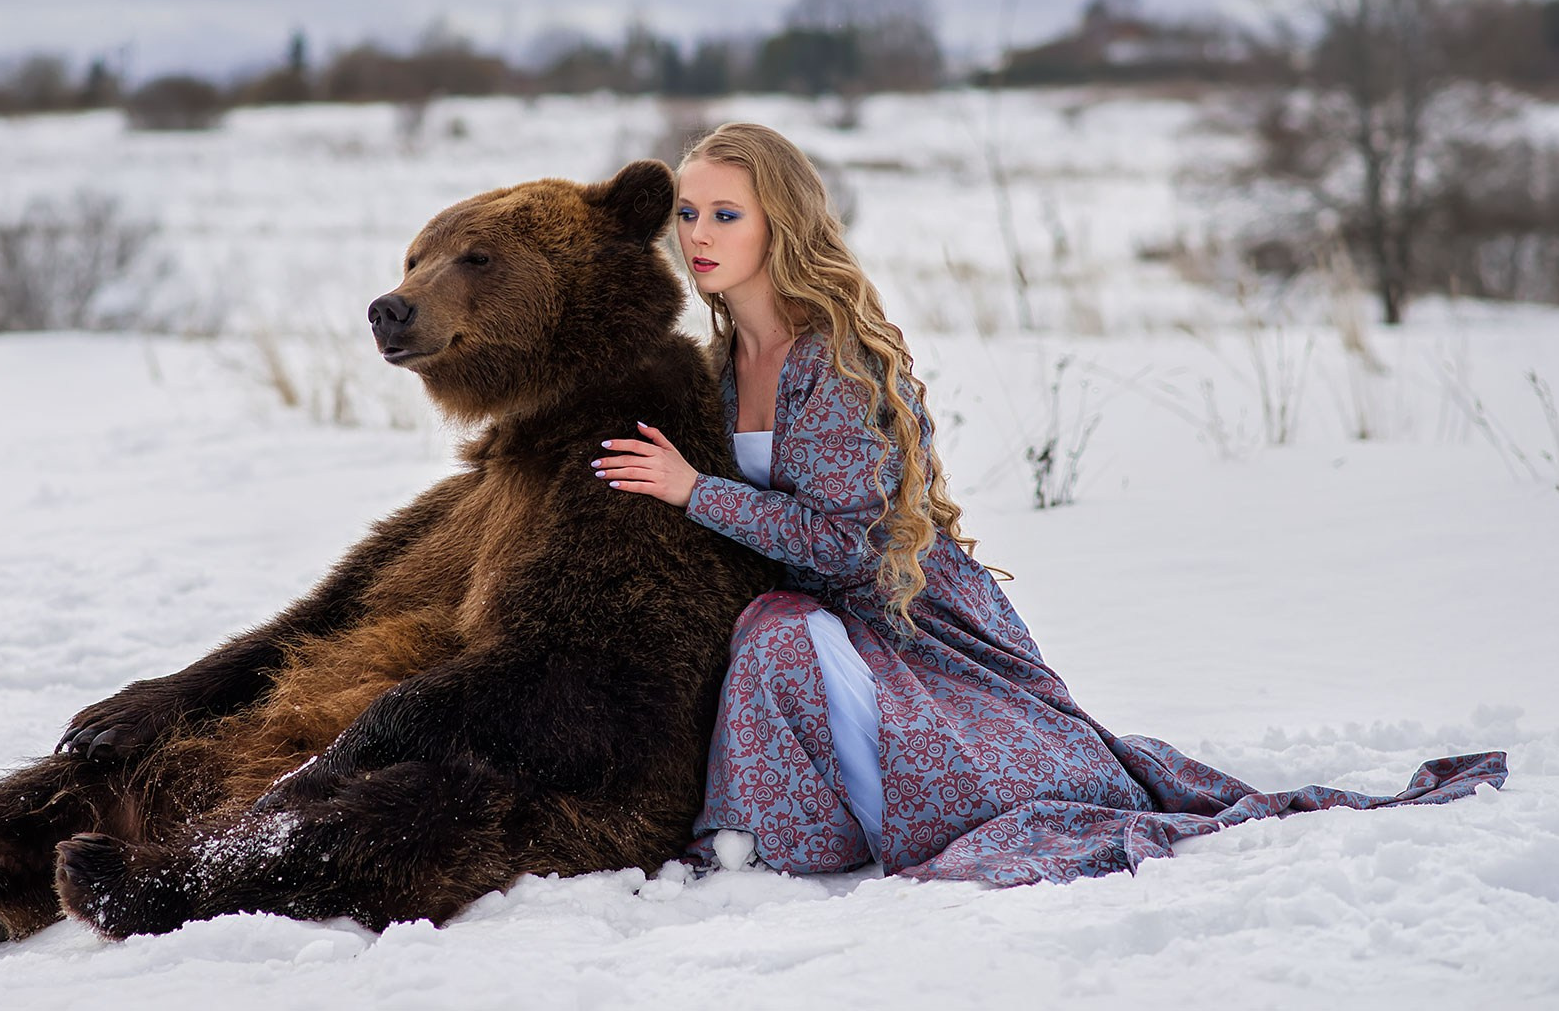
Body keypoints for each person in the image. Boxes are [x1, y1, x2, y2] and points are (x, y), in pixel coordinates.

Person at [592, 122, 1504, 884]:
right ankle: (795, 818)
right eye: (687, 213)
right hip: (813, 620)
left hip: (902, 617)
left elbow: (841, 542)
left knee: (777, 631)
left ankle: (876, 822)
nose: (698, 233)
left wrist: (695, 490)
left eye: (724, 213)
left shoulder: (830, 357)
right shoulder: (718, 366)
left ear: (778, 223)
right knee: (765, 630)